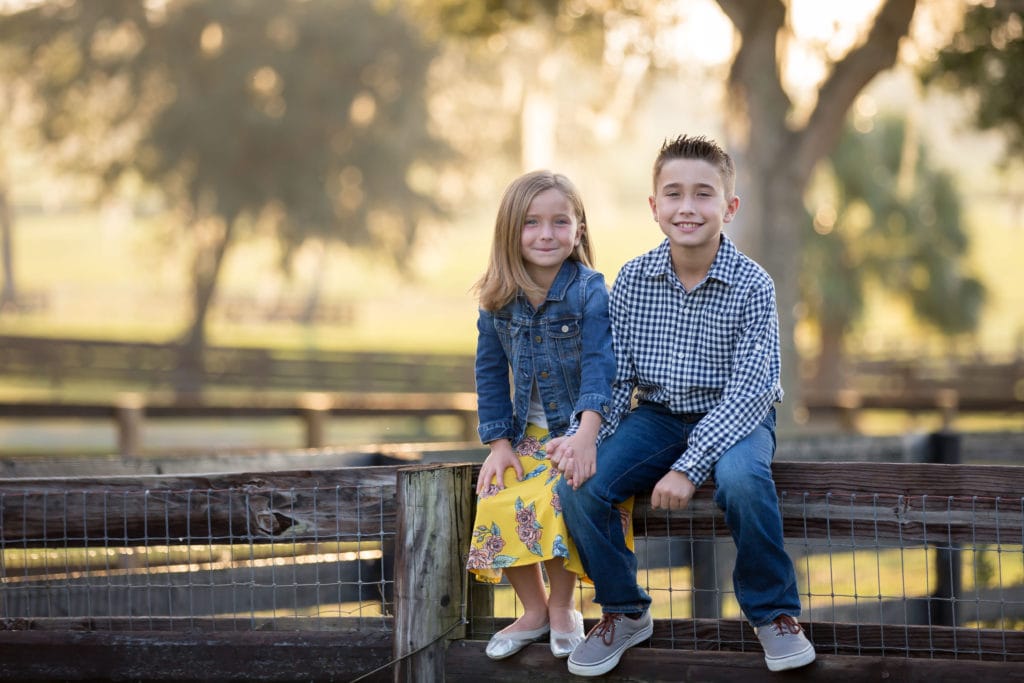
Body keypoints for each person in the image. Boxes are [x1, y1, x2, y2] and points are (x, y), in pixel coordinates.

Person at [548, 135, 816, 676]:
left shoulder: (752, 285)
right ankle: (624, 612)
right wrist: (586, 437)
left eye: (703, 194)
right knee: (582, 485)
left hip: (738, 417)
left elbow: (750, 392)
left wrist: (688, 469)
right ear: (654, 207)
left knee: (742, 481)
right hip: (660, 416)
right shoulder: (632, 280)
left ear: (730, 207)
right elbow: (614, 373)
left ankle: (774, 614)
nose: (687, 207)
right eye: (673, 194)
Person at [466, 170, 631, 661]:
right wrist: (499, 446)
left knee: (559, 496)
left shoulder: (589, 291)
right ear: (510, 230)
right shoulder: (498, 299)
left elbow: (603, 365)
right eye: (532, 223)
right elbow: (490, 372)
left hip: (585, 429)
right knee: (497, 497)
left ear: (578, 229)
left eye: (560, 222)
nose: (546, 234)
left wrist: (586, 434)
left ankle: (564, 611)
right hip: (526, 433)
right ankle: (533, 610)